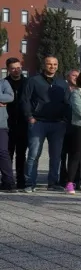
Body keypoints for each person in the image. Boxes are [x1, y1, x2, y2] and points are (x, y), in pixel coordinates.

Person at [22, 56, 71, 192]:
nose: (52, 67)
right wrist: (30, 117)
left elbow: (67, 102)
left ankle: (53, 183)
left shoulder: (62, 83)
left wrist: (65, 119)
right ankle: (30, 183)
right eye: (49, 64)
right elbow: (25, 99)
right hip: (38, 122)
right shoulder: (33, 80)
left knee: (56, 156)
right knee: (33, 154)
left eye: (55, 64)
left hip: (58, 124)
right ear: (44, 65)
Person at [4, 58, 27, 192]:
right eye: (13, 68)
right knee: (7, 153)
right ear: (8, 69)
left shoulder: (27, 82)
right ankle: (7, 180)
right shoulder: (4, 83)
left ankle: (21, 180)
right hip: (8, 122)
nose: (16, 70)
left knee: (21, 153)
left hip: (23, 123)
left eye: (18, 67)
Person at [0, 76, 15, 192]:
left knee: (3, 152)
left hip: (1, 124)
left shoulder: (4, 83)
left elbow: (10, 97)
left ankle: (8, 182)